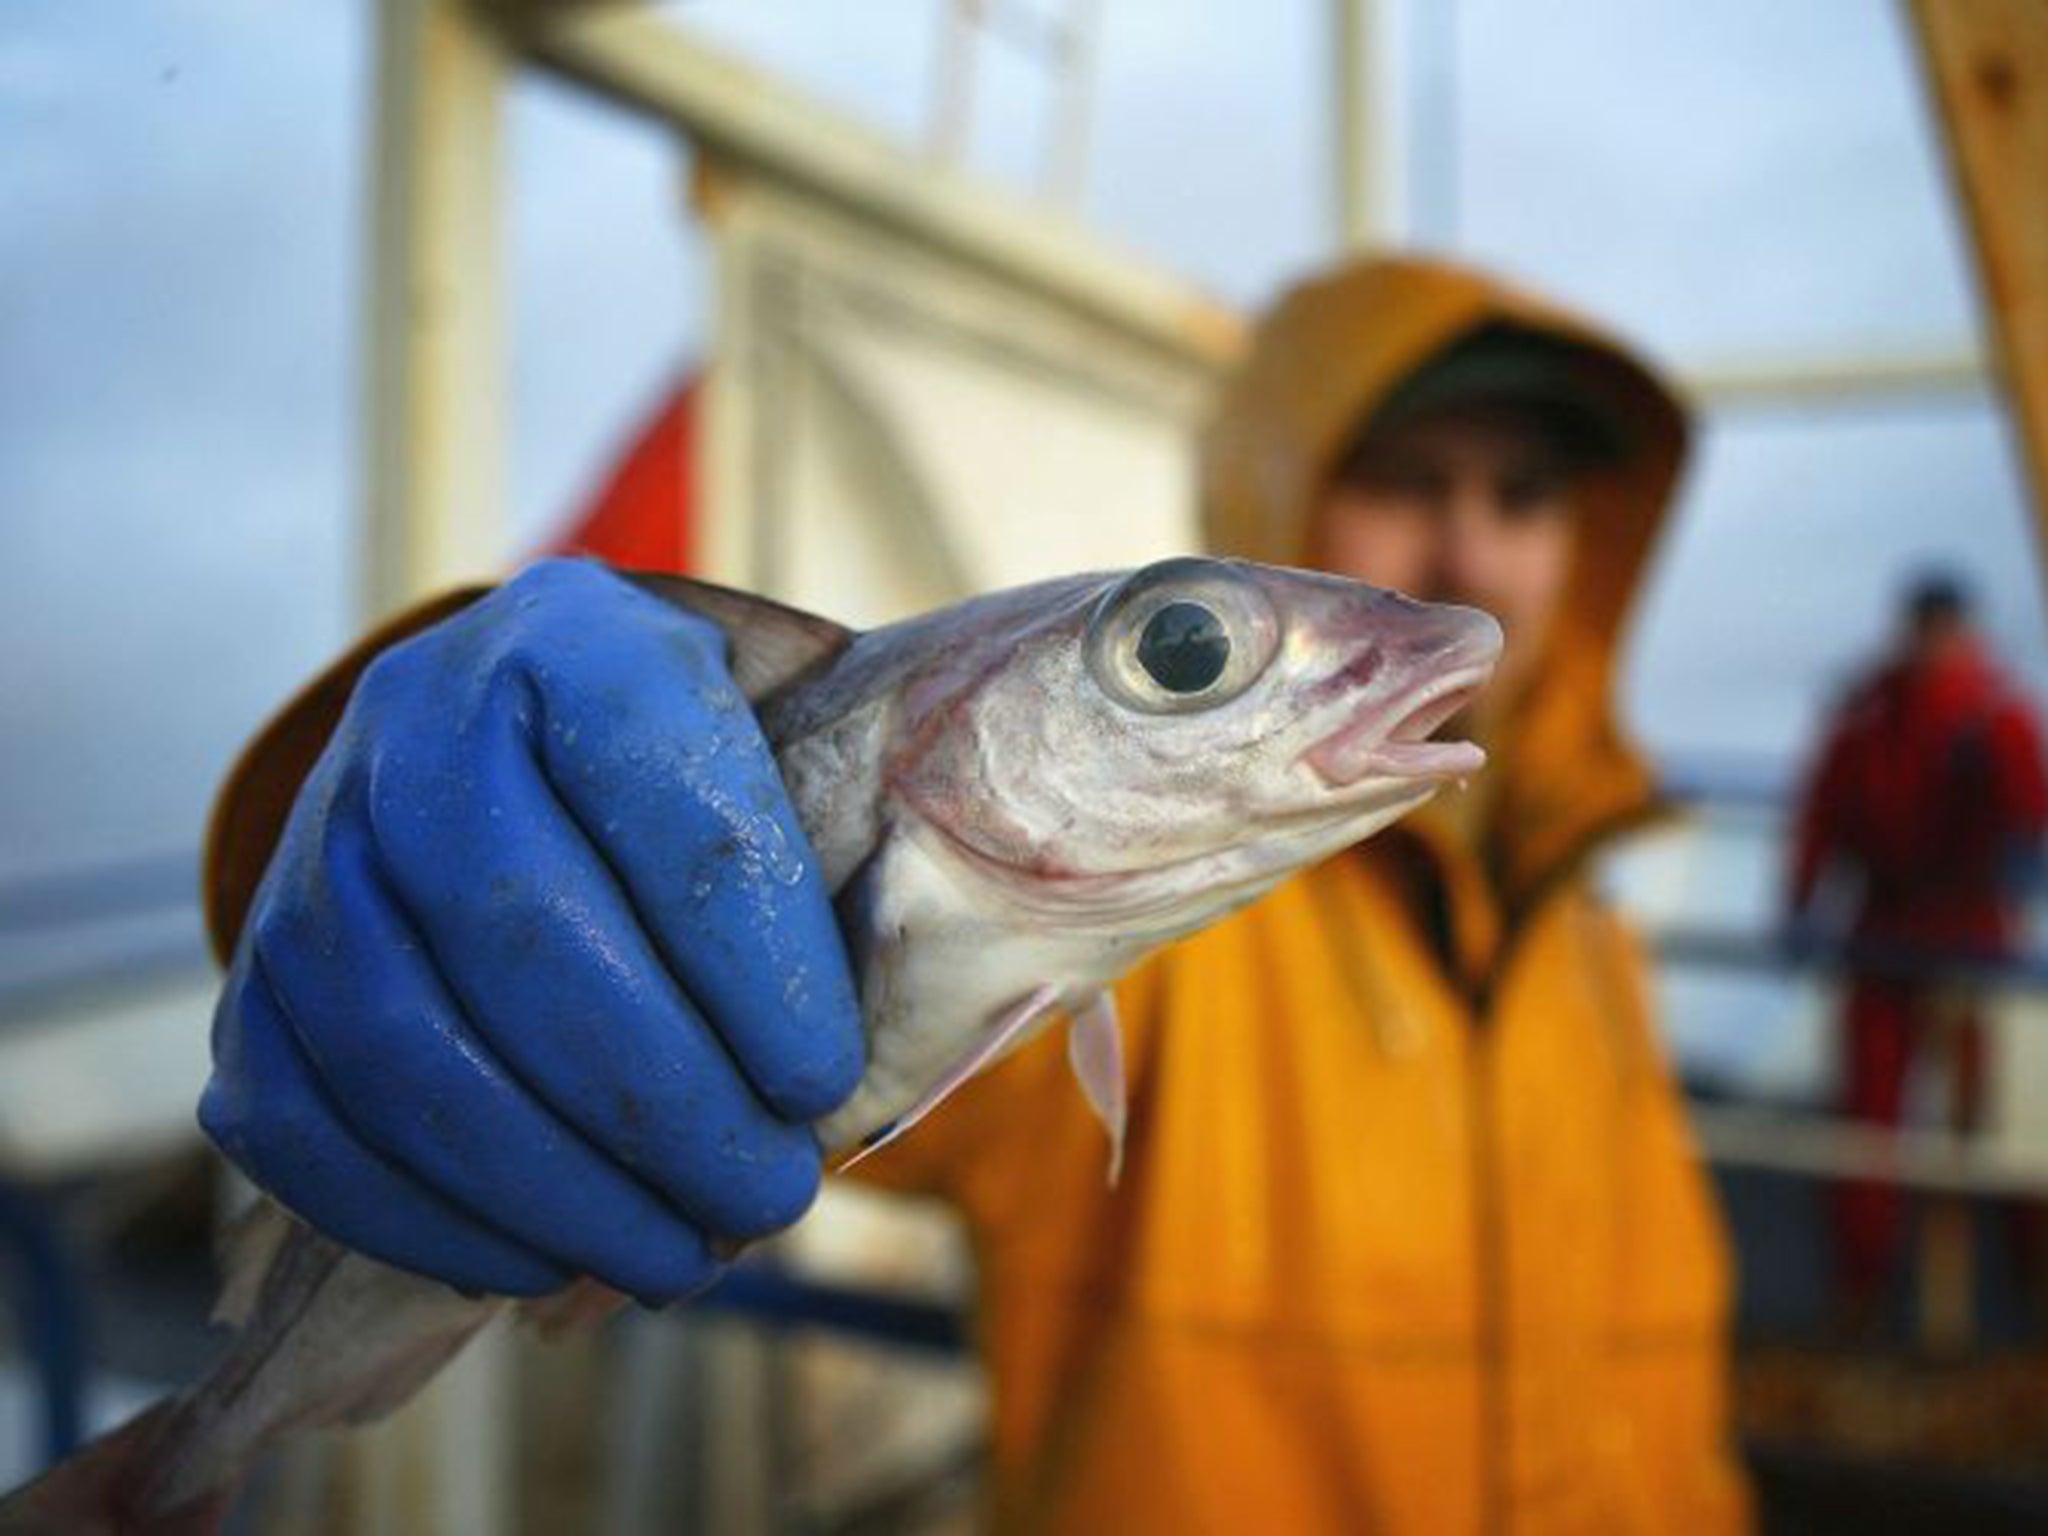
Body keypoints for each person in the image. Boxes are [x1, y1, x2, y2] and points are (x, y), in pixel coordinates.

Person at [201, 255, 1749, 1532]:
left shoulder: (1589, 933)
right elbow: (618, 964)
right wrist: (410, 825)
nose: (1467, 547)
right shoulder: (1165, 931)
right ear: (1281, 491)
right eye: (1403, 479)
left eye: (1526, 495)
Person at [1787, 572, 2048, 1323]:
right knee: (1867, 1123)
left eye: (1946, 632)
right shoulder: (1868, 714)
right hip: (1885, 930)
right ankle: (1861, 1287)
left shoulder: (1996, 714)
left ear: (1965, 633)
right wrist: (1803, 903)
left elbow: (2029, 813)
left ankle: (2029, 1281)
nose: (1935, 647)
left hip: (1972, 936)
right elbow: (1823, 812)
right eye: (1925, 631)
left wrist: (2018, 859)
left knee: (1995, 1120)